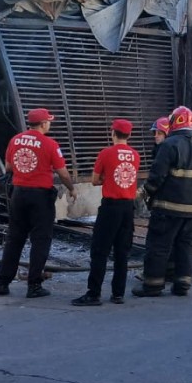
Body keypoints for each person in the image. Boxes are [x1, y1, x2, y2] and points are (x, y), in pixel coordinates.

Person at [0, 108, 77, 298]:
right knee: (40, 240)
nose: (49, 124)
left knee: (14, 238)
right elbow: (62, 172)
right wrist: (72, 188)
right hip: (40, 196)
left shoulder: (15, 140)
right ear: (42, 124)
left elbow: (8, 167)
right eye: (48, 121)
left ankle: (2, 282)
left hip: (18, 194)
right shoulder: (50, 144)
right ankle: (34, 285)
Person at [135, 106, 192, 297]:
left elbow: (157, 176)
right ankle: (182, 285)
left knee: (159, 246)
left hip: (168, 209)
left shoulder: (169, 145)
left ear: (174, 121)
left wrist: (145, 192)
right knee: (185, 247)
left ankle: (152, 285)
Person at [73, 119, 140, 307]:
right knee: (122, 252)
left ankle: (93, 293)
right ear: (129, 135)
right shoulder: (135, 155)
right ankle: (118, 293)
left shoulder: (106, 153)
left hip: (110, 206)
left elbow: (95, 180)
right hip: (128, 207)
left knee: (100, 250)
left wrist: (107, 178)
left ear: (113, 133)